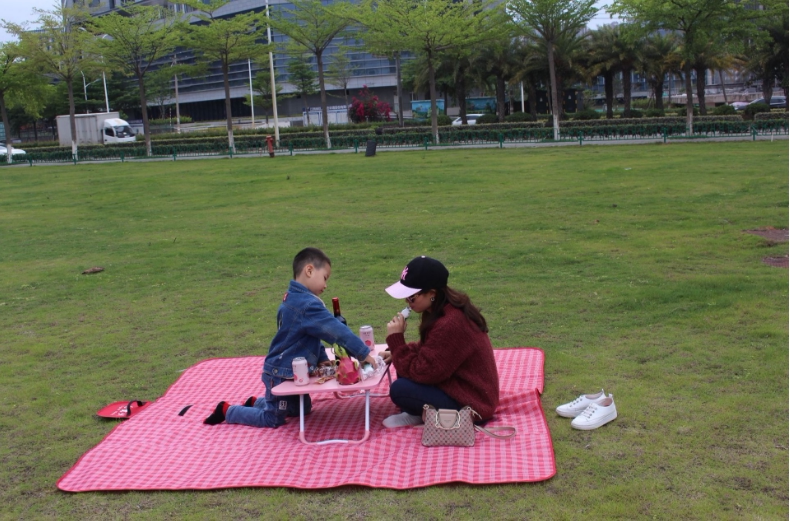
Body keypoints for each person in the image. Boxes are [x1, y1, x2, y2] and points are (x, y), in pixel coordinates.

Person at [204, 247, 377, 428]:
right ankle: (227, 410)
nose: (326, 285)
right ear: (309, 270)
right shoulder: (307, 305)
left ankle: (256, 402)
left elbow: (310, 335)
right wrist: (362, 353)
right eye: (325, 278)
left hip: (293, 371)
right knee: (272, 419)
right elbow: (336, 331)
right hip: (280, 373)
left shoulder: (293, 298)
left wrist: (323, 359)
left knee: (301, 409)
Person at [380, 255, 500, 428]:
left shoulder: (450, 323)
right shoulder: (443, 310)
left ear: (432, 294)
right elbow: (431, 350)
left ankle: (417, 414)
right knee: (404, 363)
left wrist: (397, 341)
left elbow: (424, 372)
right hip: (464, 388)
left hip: (474, 405)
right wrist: (398, 352)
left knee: (400, 389)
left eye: (412, 297)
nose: (407, 302)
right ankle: (419, 412)